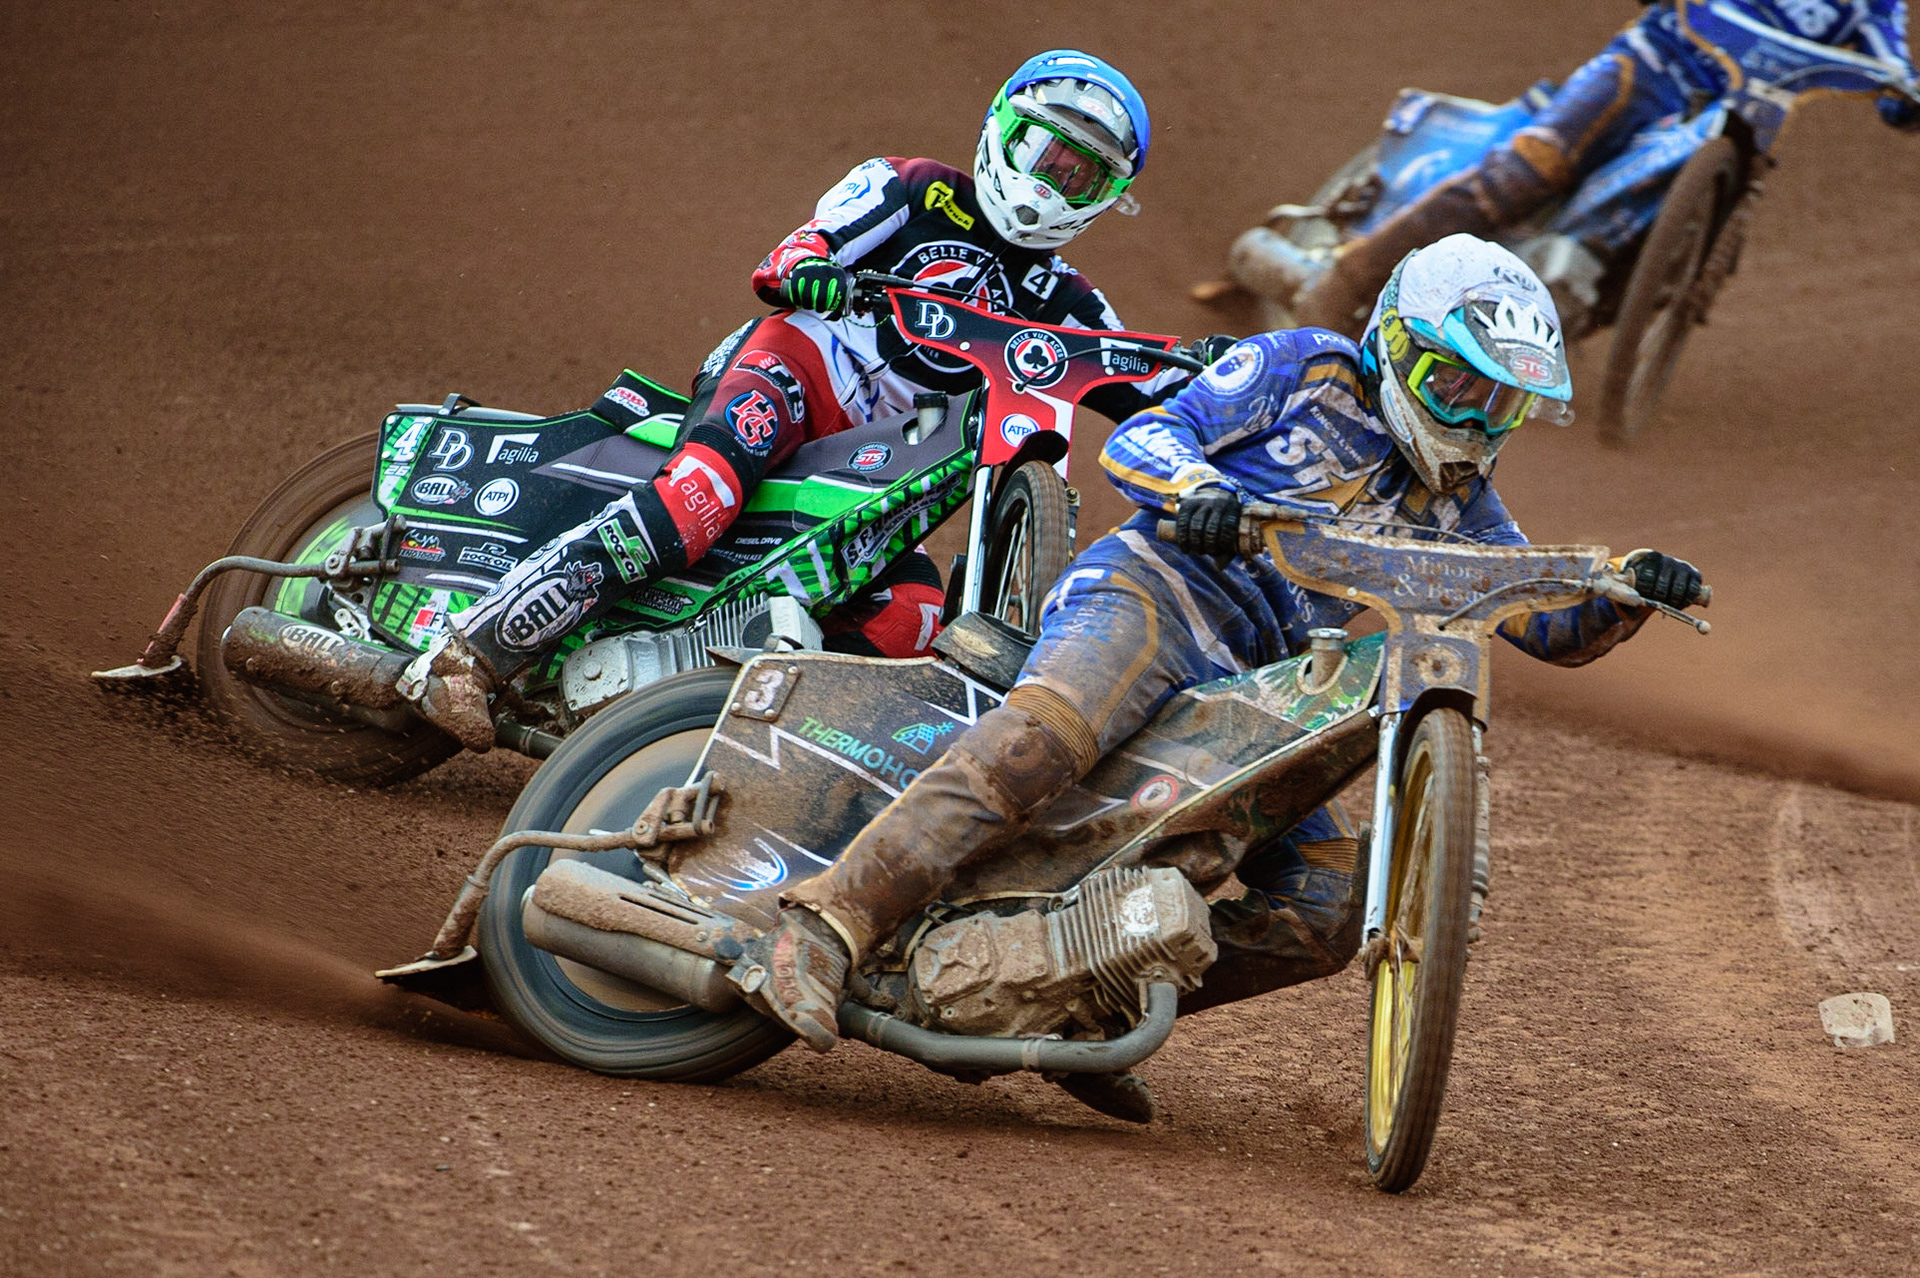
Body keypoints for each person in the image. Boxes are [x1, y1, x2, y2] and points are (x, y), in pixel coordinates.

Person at [739, 236, 1706, 1109]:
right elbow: (1143, 436)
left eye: (1500, 403)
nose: (1474, 421)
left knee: (1327, 907)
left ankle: (1086, 1006)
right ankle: (823, 927)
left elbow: (1540, 621)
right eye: (1458, 387)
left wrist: (1625, 594)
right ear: (1402, 349)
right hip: (1152, 594)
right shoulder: (1306, 369)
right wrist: (1199, 492)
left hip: (1259, 686)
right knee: (1046, 740)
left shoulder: (1460, 505)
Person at [404, 50, 1212, 751]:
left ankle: (729, 732)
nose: (1055, 182)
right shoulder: (910, 188)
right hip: (795, 374)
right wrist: (811, 268)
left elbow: (1157, 381)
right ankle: (469, 655)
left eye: (1083, 173)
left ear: (1108, 195)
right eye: (1046, 152)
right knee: (699, 499)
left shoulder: (1067, 303)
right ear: (1004, 130)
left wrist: (1235, 383)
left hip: (887, 473)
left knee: (917, 619)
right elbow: (801, 246)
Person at [1288, 0, 1918, 334]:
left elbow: (1894, 62)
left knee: (1704, 233)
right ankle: (1345, 281)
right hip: (1645, 69)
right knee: (1527, 173)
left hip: (1739, 121)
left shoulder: (1872, 4)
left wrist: (1904, 95)